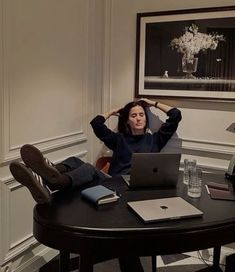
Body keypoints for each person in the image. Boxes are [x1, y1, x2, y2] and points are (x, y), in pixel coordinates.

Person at [9, 98, 181, 272]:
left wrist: (151, 103)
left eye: (141, 115)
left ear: (146, 118)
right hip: (110, 183)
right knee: (76, 161)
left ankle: (50, 180)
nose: (138, 118)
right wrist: (113, 111)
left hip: (129, 191)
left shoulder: (155, 140)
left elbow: (175, 115)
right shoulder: (119, 139)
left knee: (89, 169)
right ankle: (50, 173)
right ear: (127, 120)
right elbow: (96, 123)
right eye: (133, 115)